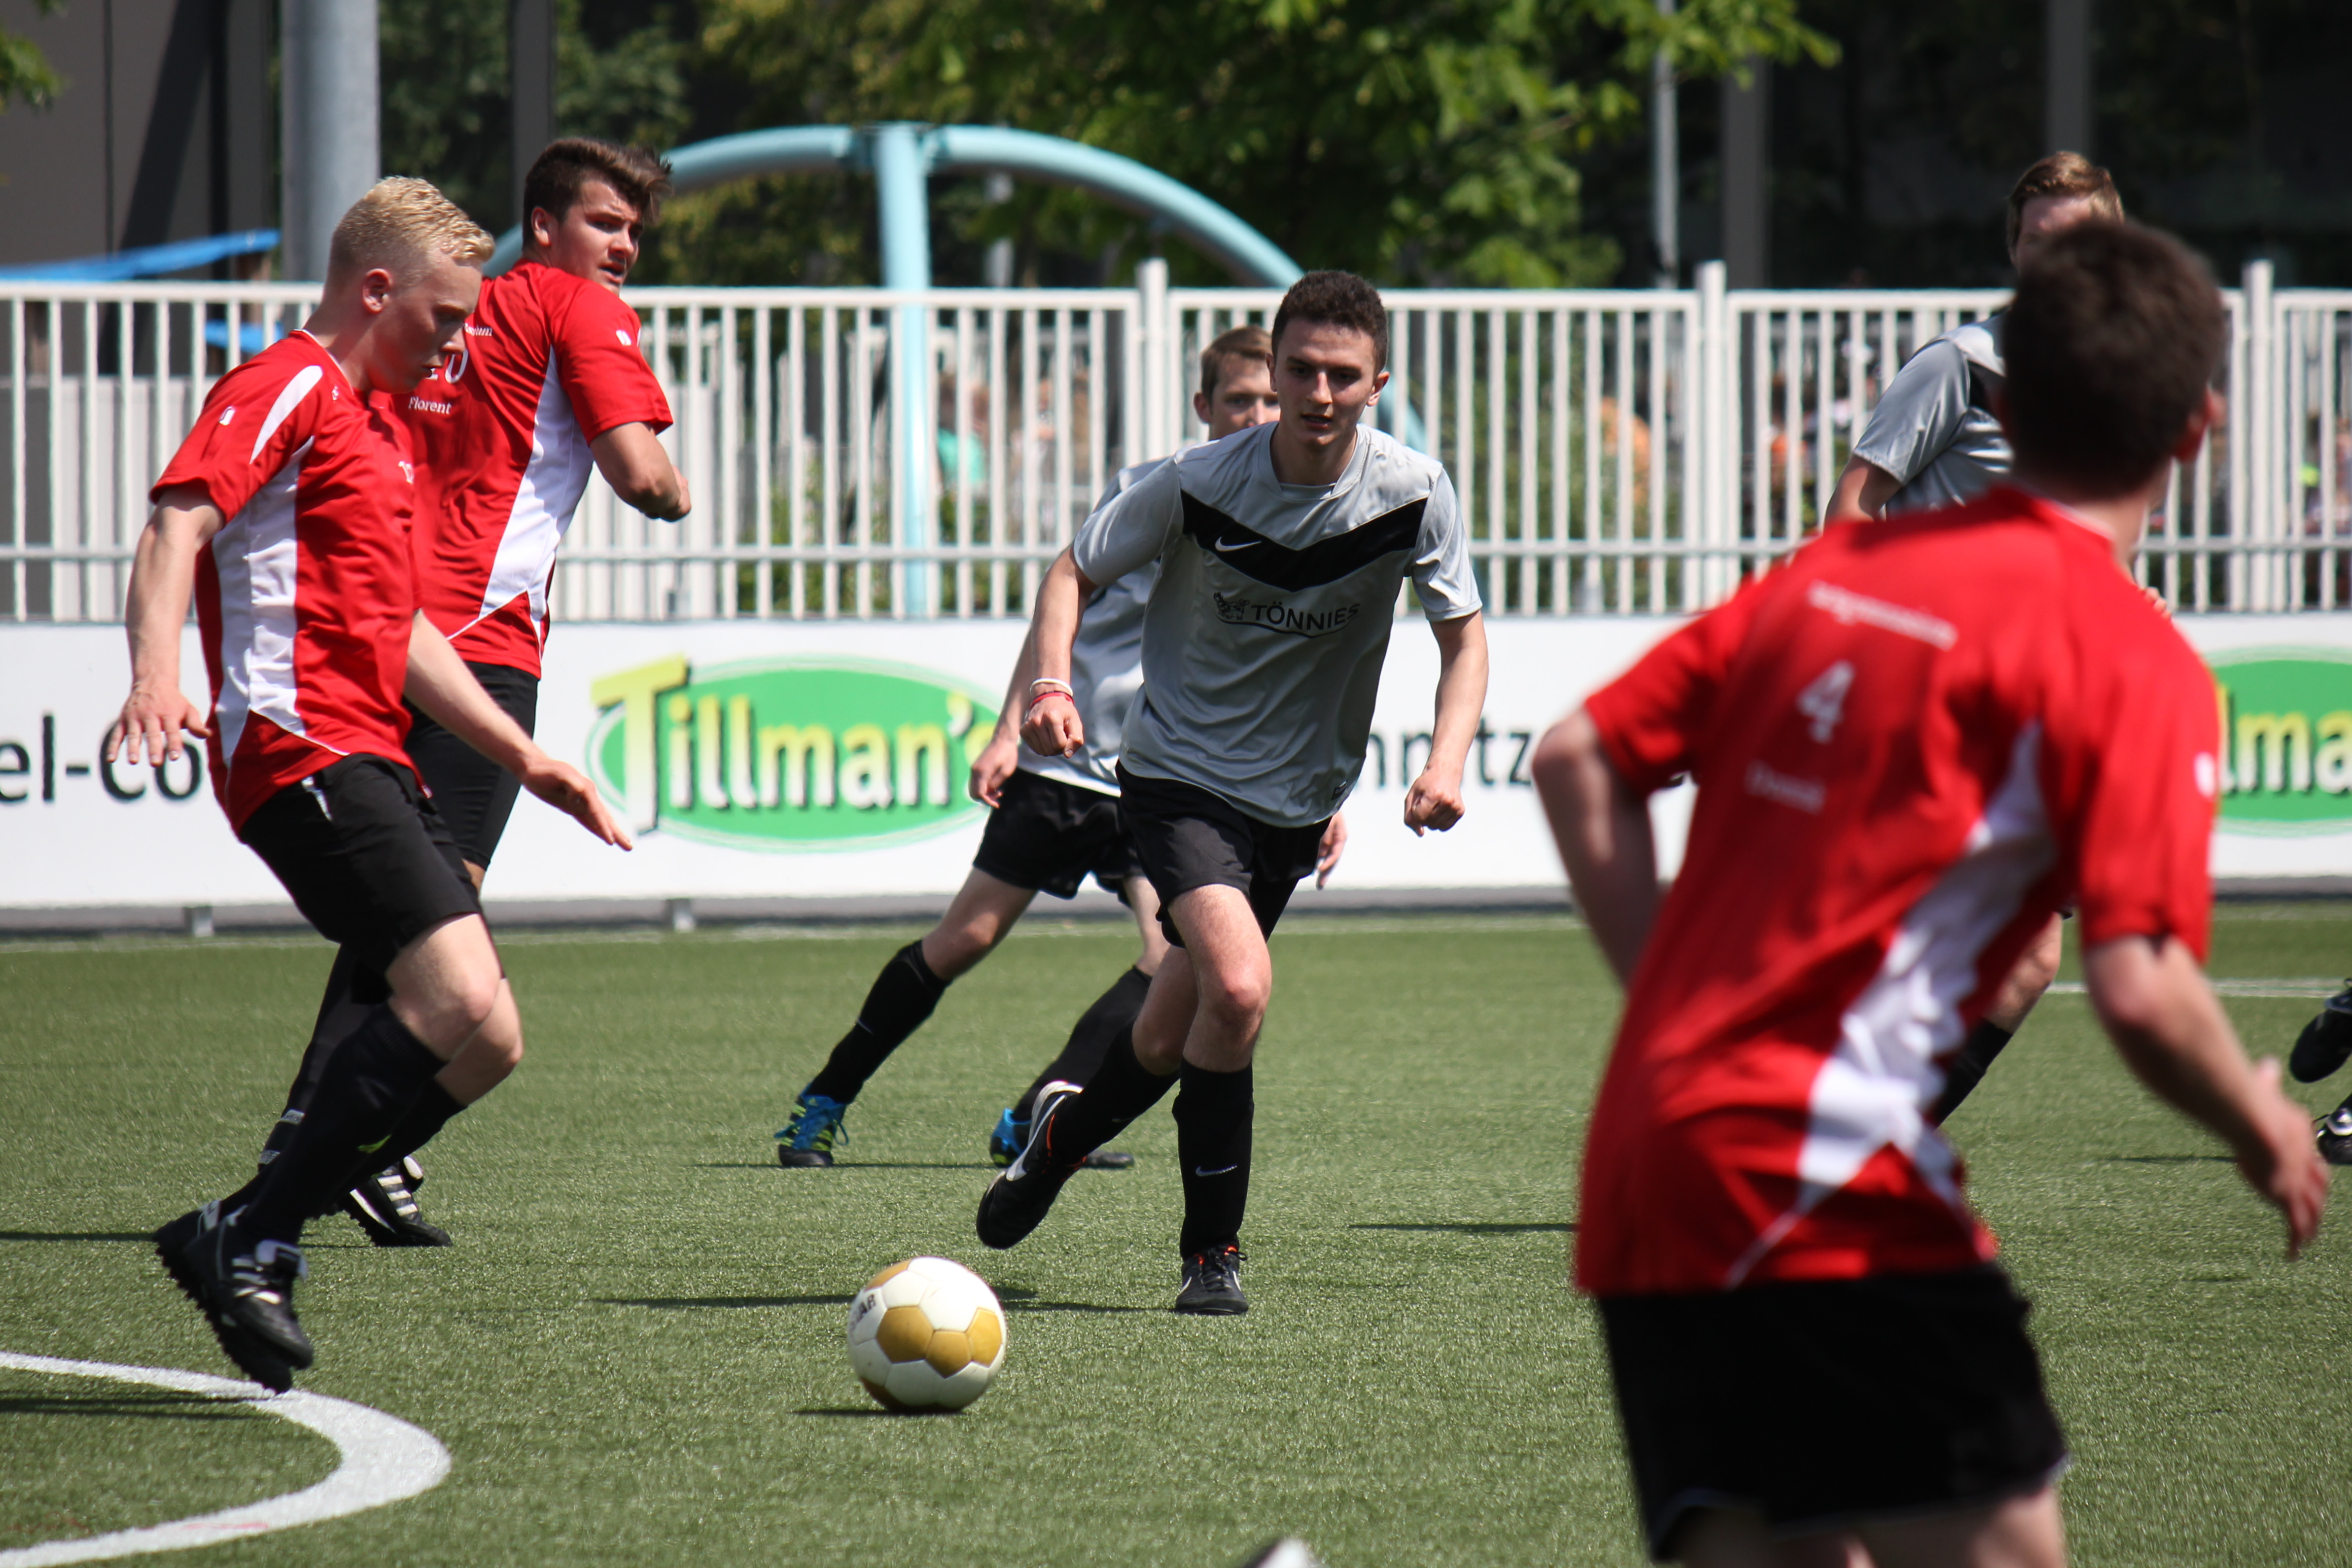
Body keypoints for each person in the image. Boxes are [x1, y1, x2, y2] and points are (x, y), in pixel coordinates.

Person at [1534, 222, 2326, 1568]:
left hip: (1649, 1152)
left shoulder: (1833, 577)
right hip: (1818, 1168)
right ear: (2198, 429)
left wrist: (1674, 1004)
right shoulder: (2128, 657)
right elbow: (2140, 985)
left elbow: (1575, 758)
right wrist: (2259, 1121)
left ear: (2000, 408)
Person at [113, 178, 632, 1390]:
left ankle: (252, 1225)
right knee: (454, 990)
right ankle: (256, 1231)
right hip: (298, 746)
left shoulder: (383, 428)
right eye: (444, 319)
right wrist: (154, 673)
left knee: (489, 1037)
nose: (456, 347)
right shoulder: (287, 383)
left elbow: (401, 630)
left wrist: (526, 757)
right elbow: (177, 524)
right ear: (376, 290)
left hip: (372, 752)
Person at [976, 271, 1490, 1316]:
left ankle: (1058, 1140)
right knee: (1241, 990)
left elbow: (1464, 637)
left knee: (1168, 1037)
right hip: (1177, 777)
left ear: (1378, 383)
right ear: (1277, 369)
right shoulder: (1197, 481)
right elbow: (1071, 570)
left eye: (1342, 375)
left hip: (1293, 803)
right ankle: (1211, 1252)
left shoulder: (1413, 491)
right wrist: (1048, 685)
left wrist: (1446, 762)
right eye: (1300, 369)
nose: (1318, 392)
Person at [217, 139, 689, 1251]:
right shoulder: (578, 308)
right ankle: (326, 1147)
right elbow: (640, 474)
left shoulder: (448, 310)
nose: (623, 247)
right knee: (433, 919)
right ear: (544, 225)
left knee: (409, 915)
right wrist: (675, 489)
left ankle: (339, 1147)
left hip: (387, 627)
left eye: (634, 230)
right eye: (605, 222)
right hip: (480, 646)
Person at [773, 326, 1319, 1170]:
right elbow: (1062, 601)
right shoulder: (1159, 490)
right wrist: (1008, 729)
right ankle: (826, 1097)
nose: (1257, 414)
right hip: (1070, 762)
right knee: (966, 938)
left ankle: (1041, 1110)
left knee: (1169, 959)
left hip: (1171, 778)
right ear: (1204, 405)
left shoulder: (1296, 514)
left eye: (1270, 400)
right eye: (1240, 399)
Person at [1823, 150, 2126, 1125]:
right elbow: (1852, 508)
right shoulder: (1960, 365)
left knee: (2026, 960)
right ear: (2014, 250)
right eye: (2039, 241)